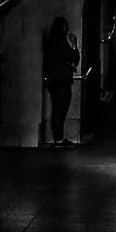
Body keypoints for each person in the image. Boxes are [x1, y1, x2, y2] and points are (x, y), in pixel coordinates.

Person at [42, 15, 80, 146]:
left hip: (54, 81)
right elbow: (75, 57)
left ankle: (58, 138)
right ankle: (59, 139)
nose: (68, 29)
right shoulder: (60, 43)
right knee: (60, 110)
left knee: (57, 110)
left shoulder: (51, 43)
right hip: (62, 81)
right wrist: (74, 44)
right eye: (65, 26)